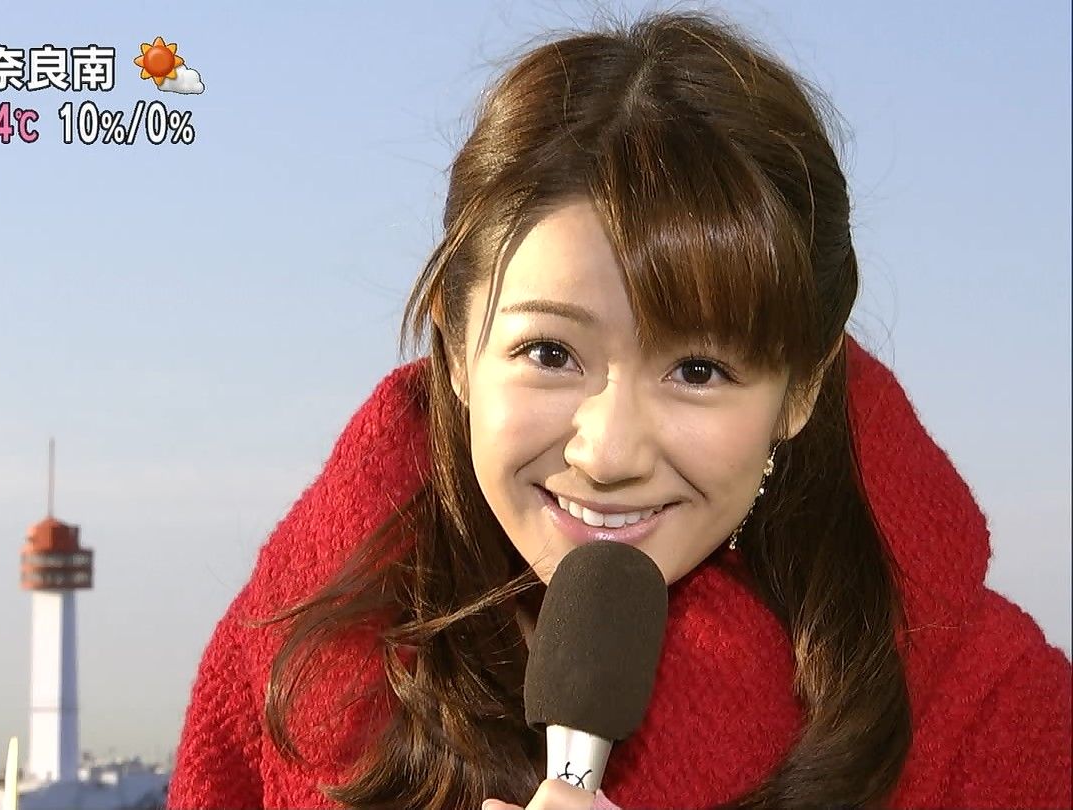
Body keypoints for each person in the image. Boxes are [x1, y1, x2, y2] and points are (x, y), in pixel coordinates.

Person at [166, 10, 1072, 810]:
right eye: (549, 354)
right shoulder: (286, 673)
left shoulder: (995, 711)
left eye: (700, 370)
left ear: (800, 388)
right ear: (455, 345)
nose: (608, 453)